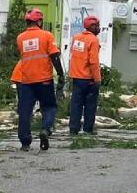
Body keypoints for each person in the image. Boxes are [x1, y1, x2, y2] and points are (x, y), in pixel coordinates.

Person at [15, 8, 66, 151]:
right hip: (44, 80)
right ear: (39, 21)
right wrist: (61, 75)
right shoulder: (47, 36)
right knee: (49, 107)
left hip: (26, 81)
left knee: (25, 111)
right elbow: (54, 56)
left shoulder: (20, 38)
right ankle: (45, 130)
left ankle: (25, 142)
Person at [68, 16, 101, 135]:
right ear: (91, 27)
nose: (98, 28)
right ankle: (88, 129)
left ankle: (73, 129)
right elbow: (93, 62)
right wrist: (97, 79)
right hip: (89, 78)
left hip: (76, 77)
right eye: (96, 25)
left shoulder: (76, 38)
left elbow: (73, 55)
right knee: (90, 105)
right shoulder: (93, 40)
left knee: (76, 105)